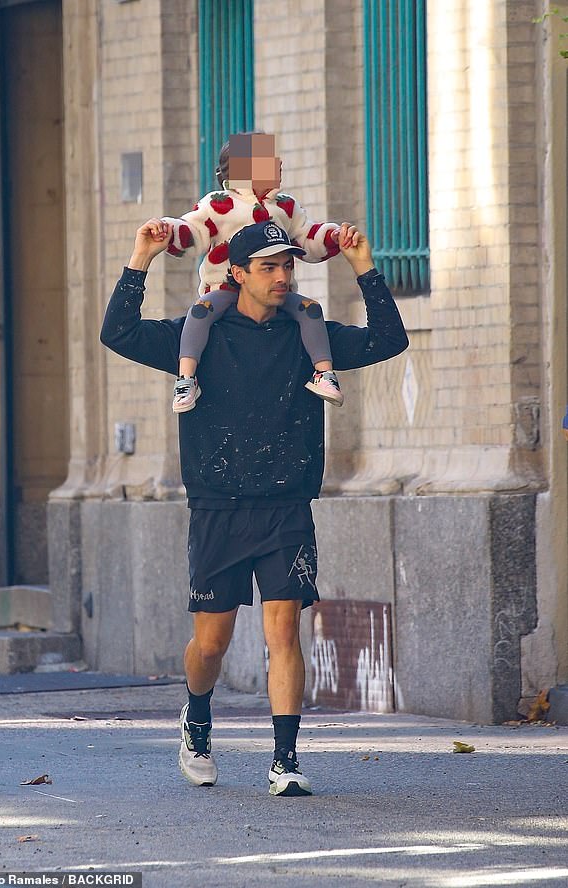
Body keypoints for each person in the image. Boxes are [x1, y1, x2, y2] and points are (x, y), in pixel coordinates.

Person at [100, 219, 409, 797]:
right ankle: (196, 716)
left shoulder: (304, 334)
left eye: (288, 265)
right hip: (218, 505)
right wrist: (140, 255)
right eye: (268, 267)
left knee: (283, 631)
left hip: (286, 506)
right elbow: (118, 333)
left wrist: (364, 265)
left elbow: (387, 339)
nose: (282, 276)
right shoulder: (202, 333)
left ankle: (285, 760)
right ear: (236, 273)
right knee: (210, 644)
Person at [159, 132, 344, 413]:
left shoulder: (285, 207)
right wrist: (166, 230)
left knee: (311, 310)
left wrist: (335, 236)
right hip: (223, 289)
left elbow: (307, 238)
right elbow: (191, 232)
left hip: (276, 293)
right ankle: (186, 379)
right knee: (199, 313)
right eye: (268, 159)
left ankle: (324, 374)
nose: (279, 163)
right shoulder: (217, 204)